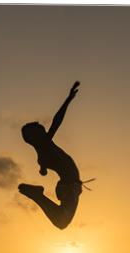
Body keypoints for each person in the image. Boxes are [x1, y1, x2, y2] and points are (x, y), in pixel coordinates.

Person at [18, 81, 88, 230]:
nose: (43, 127)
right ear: (36, 136)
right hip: (70, 184)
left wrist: (43, 168)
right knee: (62, 221)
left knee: (61, 221)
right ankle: (37, 195)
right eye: (39, 128)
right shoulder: (45, 144)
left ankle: (37, 195)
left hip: (69, 184)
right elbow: (57, 121)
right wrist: (68, 100)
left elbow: (44, 169)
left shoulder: (42, 152)